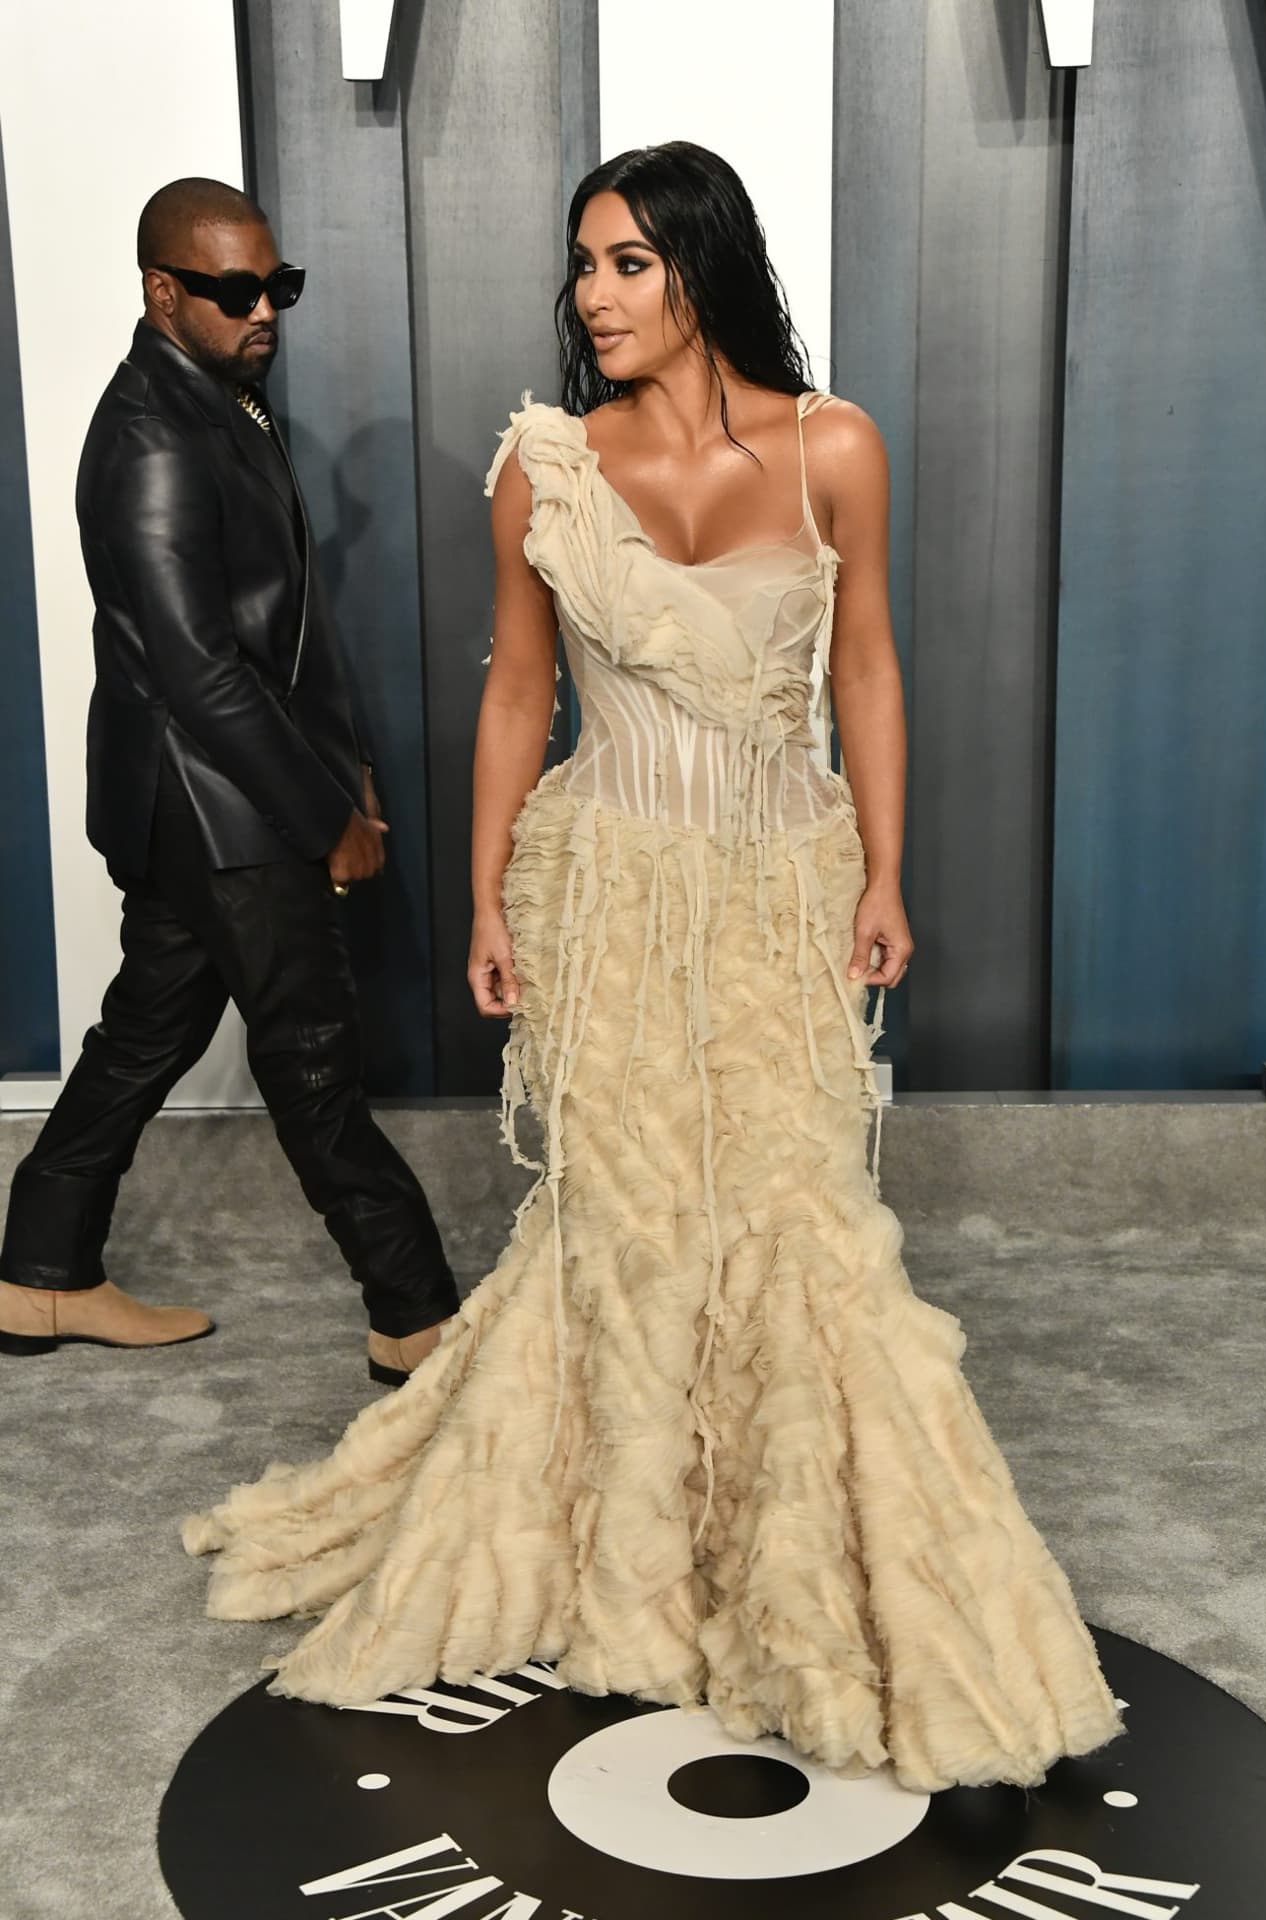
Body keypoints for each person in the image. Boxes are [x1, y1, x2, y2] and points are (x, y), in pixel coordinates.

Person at [185, 145, 1121, 1792]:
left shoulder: (836, 446)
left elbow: (869, 666)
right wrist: (488, 901)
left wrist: (886, 868)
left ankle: (800, 1567)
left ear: (703, 265)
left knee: (791, 1223)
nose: (593, 295)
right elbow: (514, 691)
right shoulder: (546, 470)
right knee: (624, 1226)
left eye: (626, 262)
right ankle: (633, 1560)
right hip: (606, 886)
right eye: (583, 265)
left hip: (774, 889)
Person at [0, 178, 457, 1387]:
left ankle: (41, 1270)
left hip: (214, 797)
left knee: (147, 1031)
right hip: (221, 807)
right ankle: (414, 1314)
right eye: (236, 290)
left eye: (278, 286)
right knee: (312, 1056)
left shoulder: (216, 401)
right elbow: (198, 671)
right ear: (163, 292)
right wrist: (325, 817)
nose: (265, 311)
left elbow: (279, 634)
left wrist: (348, 767)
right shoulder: (153, 435)